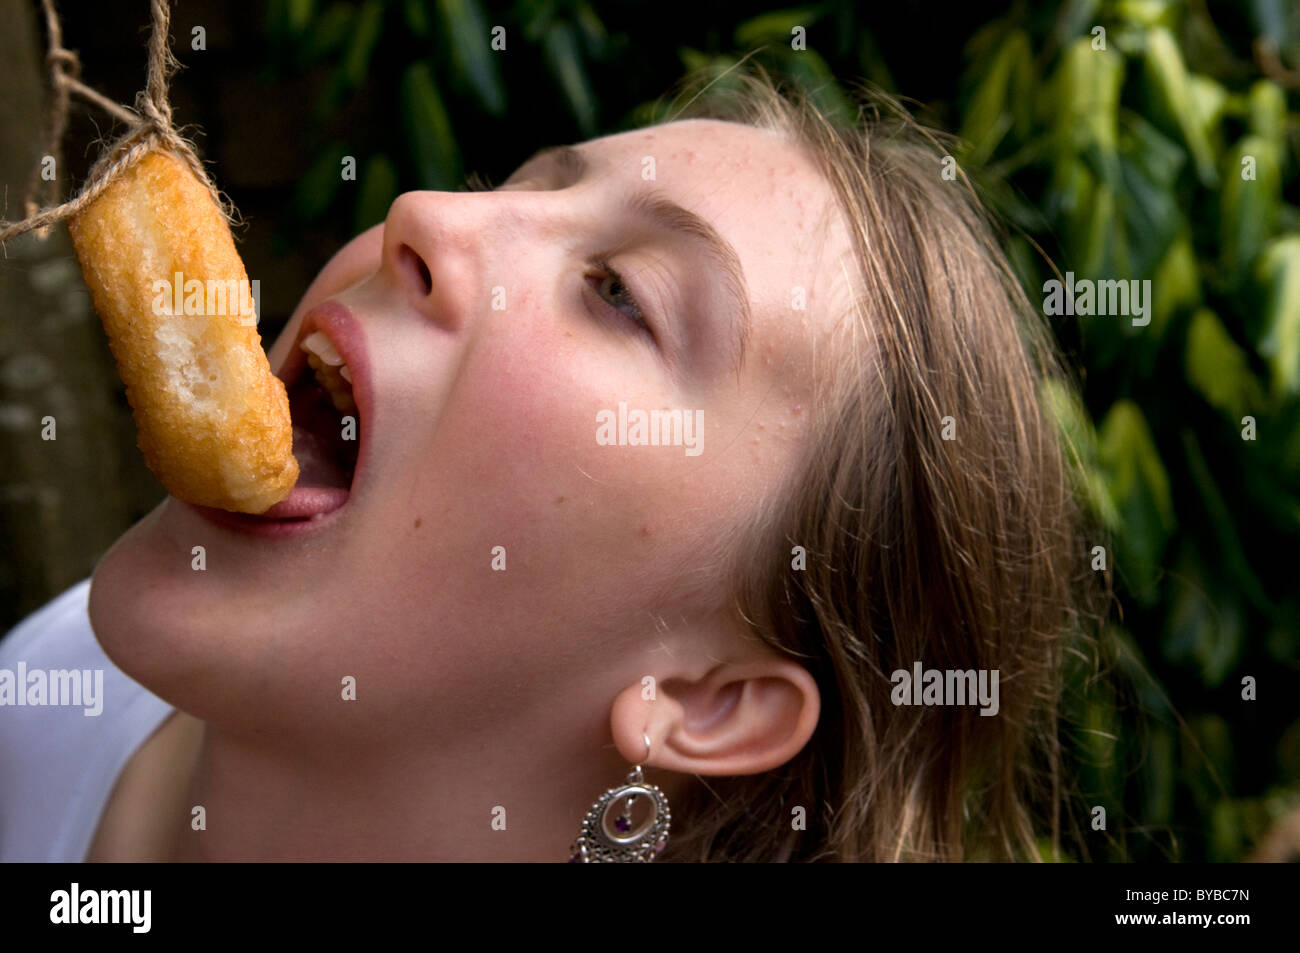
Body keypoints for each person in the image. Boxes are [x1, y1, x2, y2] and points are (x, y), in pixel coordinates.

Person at [0, 65, 1100, 862]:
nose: (422, 213)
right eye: (515, 182)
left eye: (620, 293)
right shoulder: (47, 684)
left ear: (706, 702)